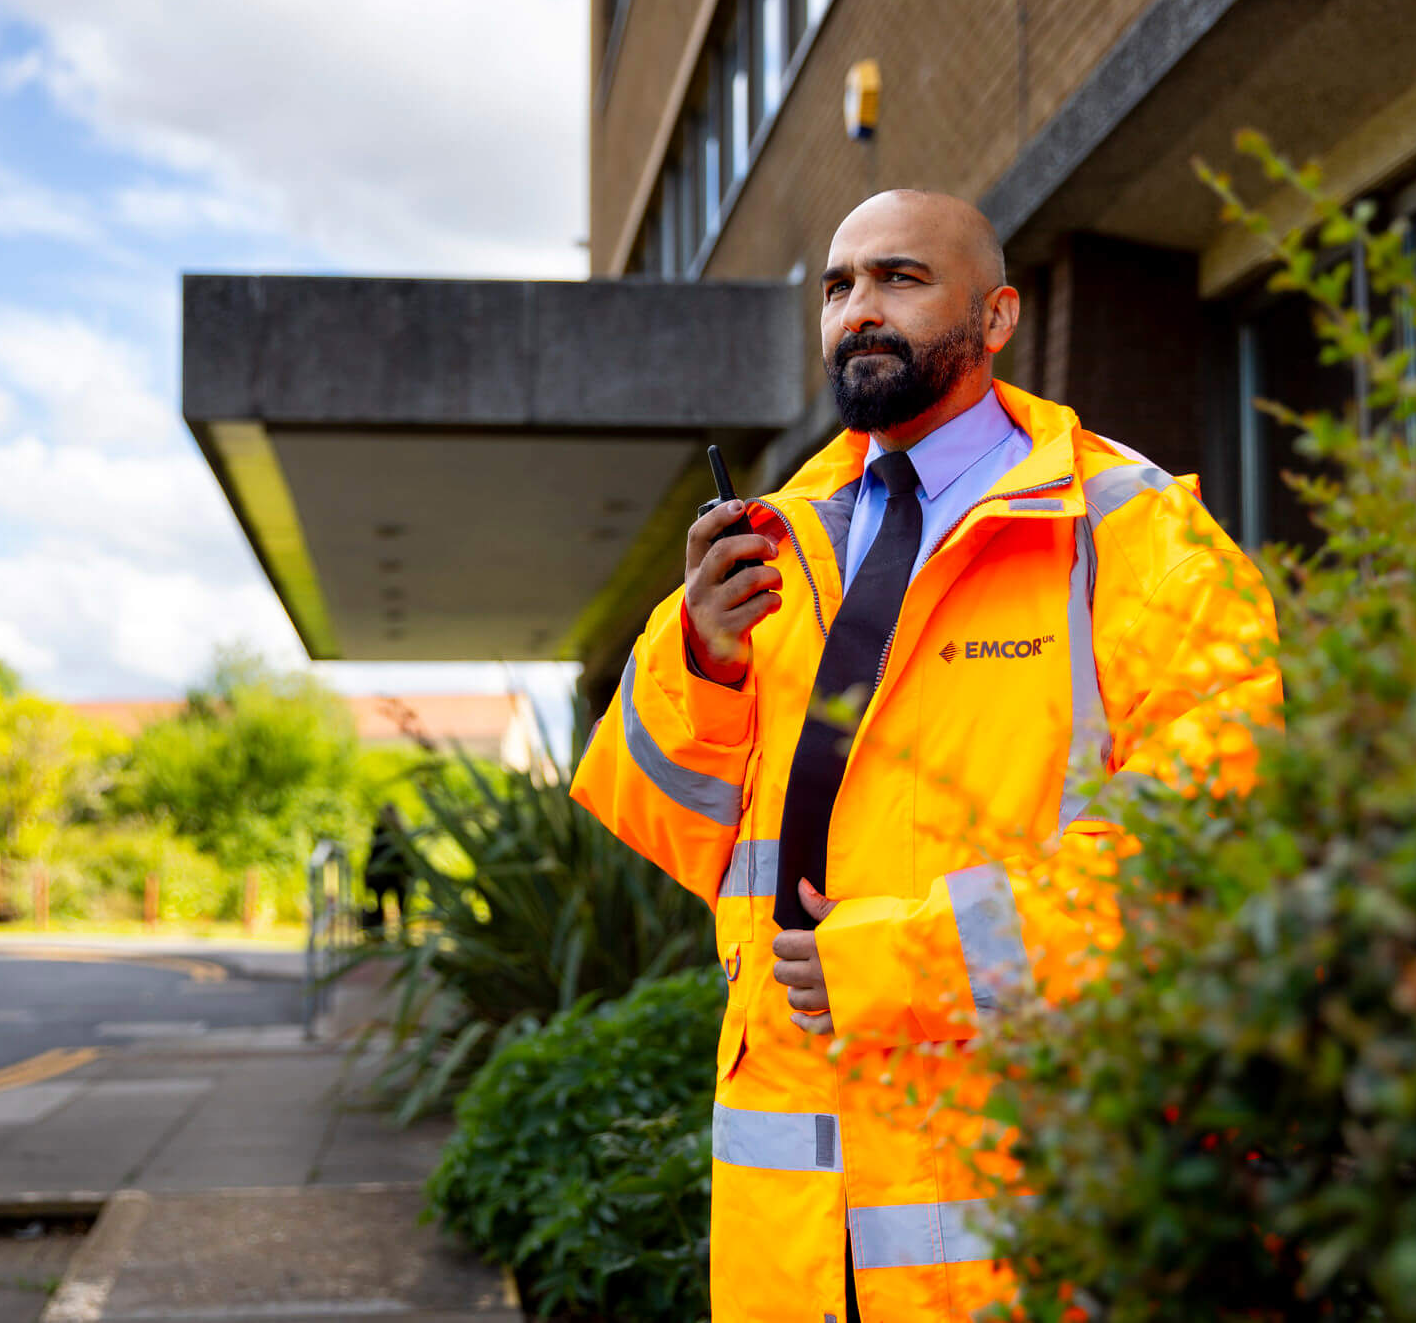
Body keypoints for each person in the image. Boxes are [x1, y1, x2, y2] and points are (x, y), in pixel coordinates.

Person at [571, 190, 1282, 1323]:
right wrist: (704, 658)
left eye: (898, 279)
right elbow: (662, 818)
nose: (858, 310)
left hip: (1016, 1194)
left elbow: (1205, 842)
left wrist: (908, 961)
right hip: (793, 1223)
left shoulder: (1132, 534)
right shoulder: (779, 534)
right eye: (838, 286)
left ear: (995, 319)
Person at [361, 803, 409, 940]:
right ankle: (398, 934)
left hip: (389, 875)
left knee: (389, 905)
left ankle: (383, 934)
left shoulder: (387, 831)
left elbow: (373, 854)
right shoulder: (395, 831)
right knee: (401, 906)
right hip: (393, 876)